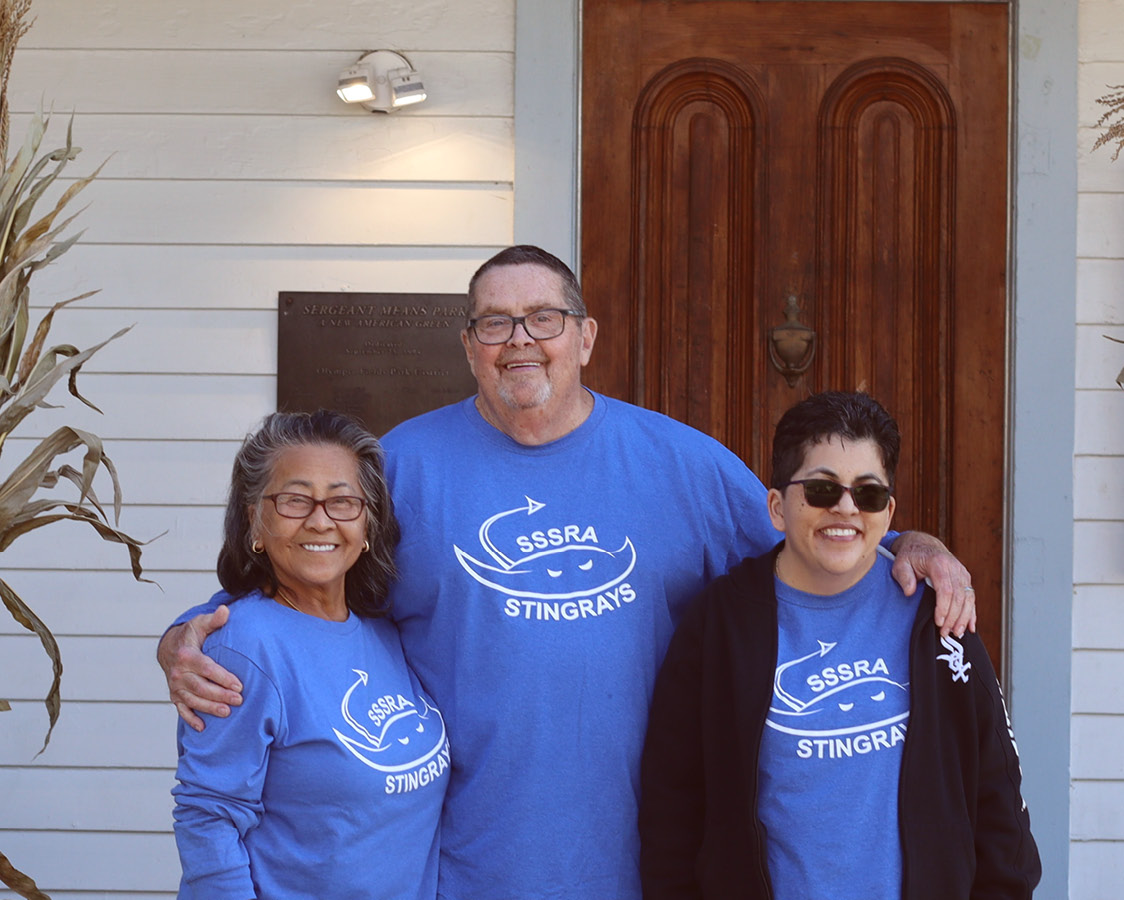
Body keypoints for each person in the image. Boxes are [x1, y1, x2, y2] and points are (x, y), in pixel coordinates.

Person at [160, 246, 977, 900]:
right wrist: (187, 638)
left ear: (585, 337)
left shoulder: (680, 464)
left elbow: (819, 530)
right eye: (494, 323)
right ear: (468, 345)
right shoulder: (403, 465)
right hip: (465, 864)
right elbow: (303, 566)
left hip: (645, 861)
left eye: (543, 318)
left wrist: (914, 543)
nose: (520, 340)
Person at [638, 391, 1040, 899]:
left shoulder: (937, 620)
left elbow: (998, 795)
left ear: (888, 512)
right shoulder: (719, 626)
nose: (846, 507)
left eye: (868, 494)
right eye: (823, 488)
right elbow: (672, 809)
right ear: (778, 507)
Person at [170, 410, 448, 900]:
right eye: (295, 500)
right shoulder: (245, 646)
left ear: (367, 524)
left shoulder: (385, 632)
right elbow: (208, 817)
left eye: (342, 502)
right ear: (255, 519)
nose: (320, 519)